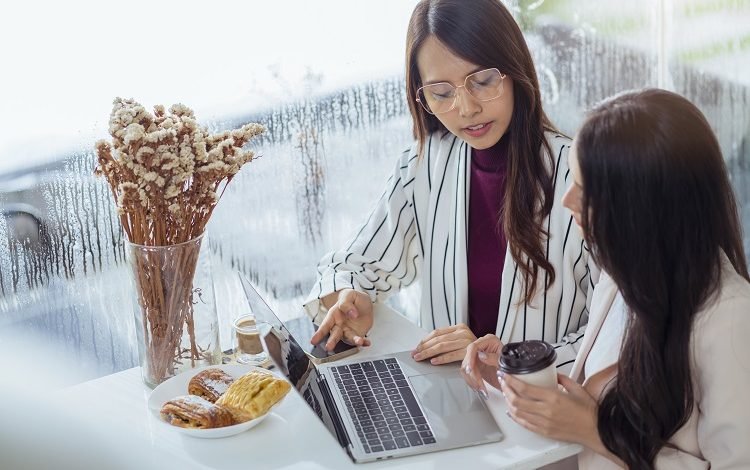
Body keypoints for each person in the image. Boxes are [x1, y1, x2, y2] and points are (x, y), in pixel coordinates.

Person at [462, 89, 750, 469]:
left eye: (585, 189)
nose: (566, 201)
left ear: (639, 204)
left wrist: (594, 431)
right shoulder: (622, 274)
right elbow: (604, 391)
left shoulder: (731, 319)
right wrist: (514, 372)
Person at [303, 0, 598, 370]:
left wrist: (503, 359)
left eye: (483, 81)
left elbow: (613, 334)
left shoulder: (580, 179)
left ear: (515, 70)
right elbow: (354, 265)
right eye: (441, 93)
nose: (466, 108)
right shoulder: (424, 164)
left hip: (539, 408)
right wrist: (348, 298)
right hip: (448, 399)